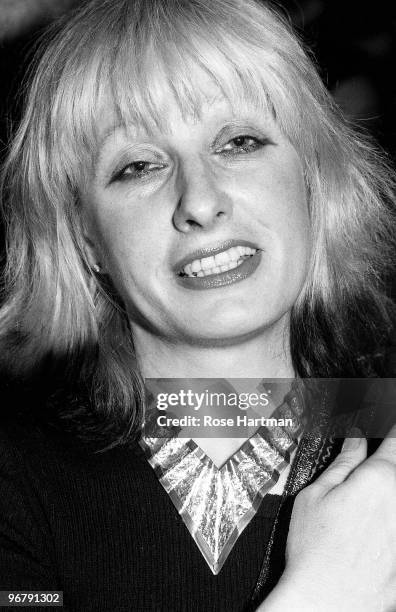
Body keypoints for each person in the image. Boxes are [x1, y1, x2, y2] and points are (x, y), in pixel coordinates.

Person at [0, 0, 396, 610]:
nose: (200, 200)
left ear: (313, 180)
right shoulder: (15, 482)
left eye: (238, 141)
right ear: (86, 239)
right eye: (138, 166)